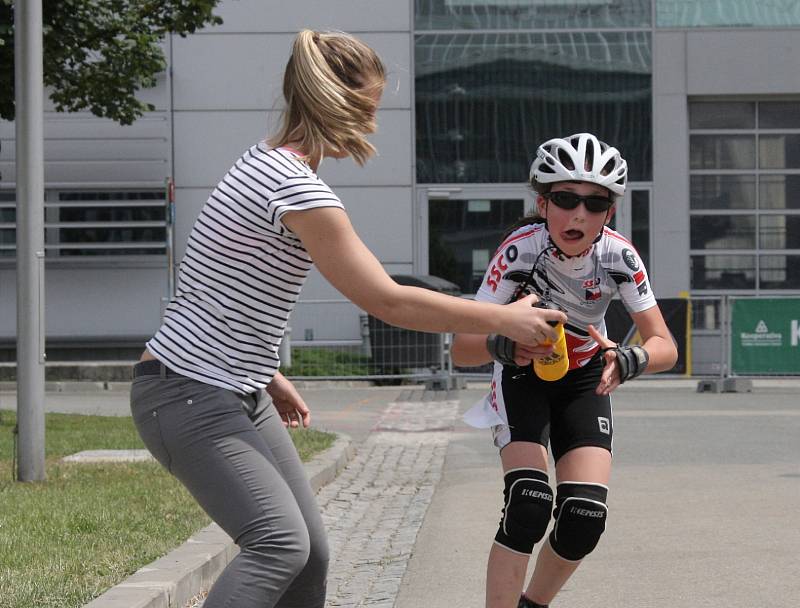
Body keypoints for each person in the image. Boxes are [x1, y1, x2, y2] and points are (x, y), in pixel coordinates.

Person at [129, 30, 564, 608]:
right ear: (337, 102)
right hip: (187, 392)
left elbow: (218, 280)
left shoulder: (263, 161)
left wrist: (264, 370)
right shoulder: (296, 188)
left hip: (232, 385)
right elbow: (388, 301)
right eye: (368, 108)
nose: (371, 125)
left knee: (311, 554)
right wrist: (502, 319)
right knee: (278, 545)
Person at [453, 133, 678, 608]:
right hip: (521, 373)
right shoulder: (520, 251)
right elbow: (463, 347)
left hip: (585, 375)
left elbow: (665, 346)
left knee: (583, 517)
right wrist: (507, 344)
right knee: (529, 504)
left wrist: (629, 357)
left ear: (609, 213)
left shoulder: (620, 257)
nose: (579, 214)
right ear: (543, 202)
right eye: (565, 199)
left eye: (595, 204)